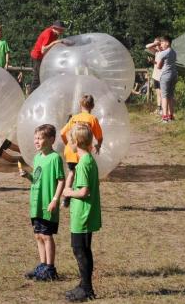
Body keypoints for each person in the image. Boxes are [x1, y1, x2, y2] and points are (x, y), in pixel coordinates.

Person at [20, 124, 65, 281]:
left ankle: (50, 269)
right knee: (38, 235)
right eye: (35, 138)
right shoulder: (37, 157)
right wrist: (28, 176)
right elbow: (36, 178)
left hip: (47, 205)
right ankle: (42, 265)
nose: (36, 141)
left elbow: (61, 180)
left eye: (40, 138)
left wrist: (55, 200)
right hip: (36, 204)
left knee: (46, 236)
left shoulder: (55, 158)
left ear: (51, 140)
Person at [62, 123, 101, 302]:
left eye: (70, 139)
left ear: (76, 141)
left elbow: (84, 191)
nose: (68, 142)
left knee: (80, 250)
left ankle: (87, 289)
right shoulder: (86, 160)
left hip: (83, 215)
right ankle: (84, 285)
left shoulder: (84, 163)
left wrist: (68, 192)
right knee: (83, 250)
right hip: (83, 213)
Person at [60, 95, 103, 207]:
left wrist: (68, 144)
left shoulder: (74, 118)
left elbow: (62, 133)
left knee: (72, 173)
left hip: (71, 150)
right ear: (93, 106)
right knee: (85, 172)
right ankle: (83, 194)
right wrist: (98, 145)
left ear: (80, 106)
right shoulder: (92, 119)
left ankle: (66, 198)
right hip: (82, 152)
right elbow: (99, 137)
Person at [30, 20, 70, 93]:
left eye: (62, 30)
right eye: (61, 30)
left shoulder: (55, 34)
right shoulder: (48, 33)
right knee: (37, 79)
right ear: (56, 28)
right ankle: (30, 97)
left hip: (42, 58)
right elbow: (43, 50)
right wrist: (55, 42)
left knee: (43, 77)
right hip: (37, 57)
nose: (62, 32)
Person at [157, 35, 177, 123]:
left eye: (162, 43)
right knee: (171, 96)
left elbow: (158, 66)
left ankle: (165, 117)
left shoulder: (163, 53)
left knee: (164, 96)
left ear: (167, 43)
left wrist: (159, 50)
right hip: (174, 75)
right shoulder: (174, 52)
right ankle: (171, 116)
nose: (161, 45)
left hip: (165, 76)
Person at [145, 37, 163, 115]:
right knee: (157, 93)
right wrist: (155, 43)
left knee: (161, 93)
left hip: (161, 76)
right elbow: (147, 46)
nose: (156, 46)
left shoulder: (163, 53)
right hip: (156, 76)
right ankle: (159, 109)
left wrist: (153, 62)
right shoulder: (156, 52)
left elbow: (161, 65)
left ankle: (163, 109)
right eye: (155, 44)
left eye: (157, 44)